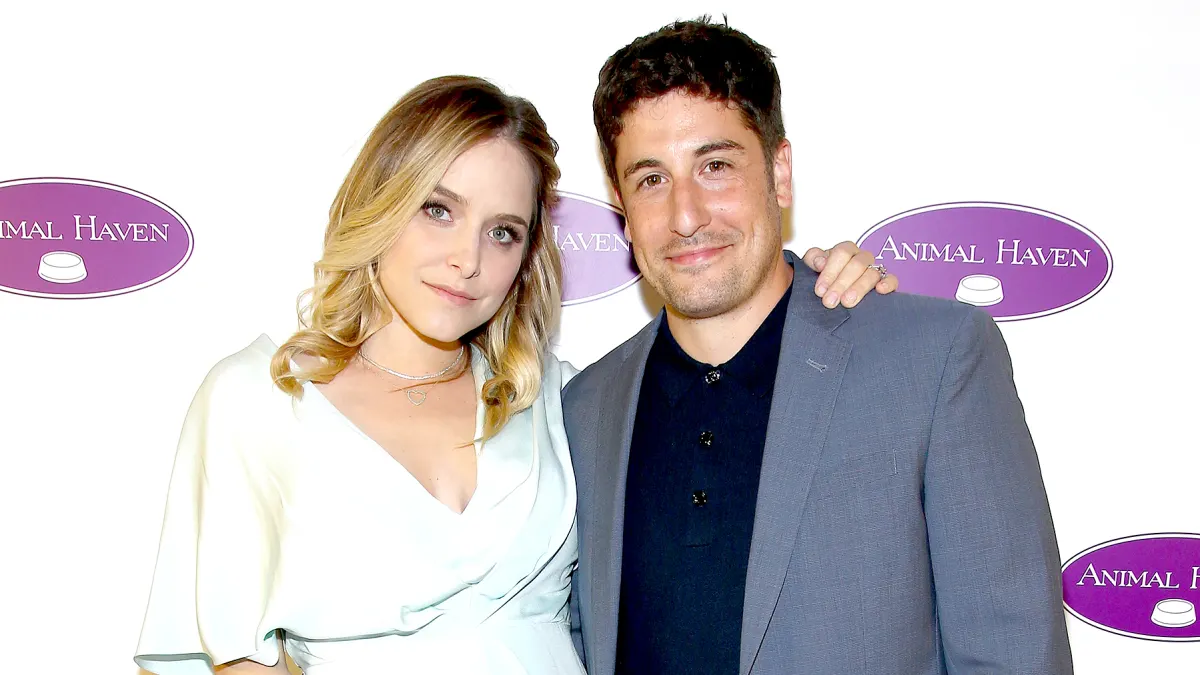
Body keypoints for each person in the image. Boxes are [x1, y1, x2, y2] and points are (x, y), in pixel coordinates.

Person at [133, 75, 894, 674]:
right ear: (381, 202)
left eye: (503, 231)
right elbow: (228, 656)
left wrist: (823, 285)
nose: (469, 260)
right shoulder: (262, 400)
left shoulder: (558, 400)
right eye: (438, 210)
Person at [563, 18, 1073, 675]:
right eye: (651, 179)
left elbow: (1015, 654)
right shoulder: (583, 408)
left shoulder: (934, 358)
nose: (686, 215)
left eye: (715, 166)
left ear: (779, 172)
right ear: (620, 205)